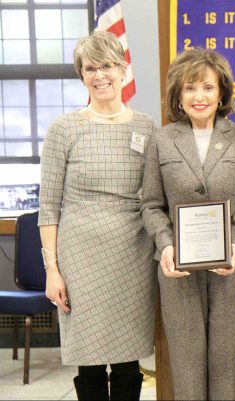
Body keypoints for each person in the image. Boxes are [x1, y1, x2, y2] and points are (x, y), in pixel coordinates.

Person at [38, 31, 156, 401]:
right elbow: (49, 207)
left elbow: (155, 197)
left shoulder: (147, 127)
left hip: (133, 255)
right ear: (82, 74)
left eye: (107, 66)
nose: (99, 75)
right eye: (90, 68)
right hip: (79, 257)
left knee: (126, 358)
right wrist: (52, 270)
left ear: (122, 70)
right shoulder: (64, 129)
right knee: (88, 357)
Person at [141, 48, 235, 400]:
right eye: (190, 88)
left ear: (221, 92)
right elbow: (150, 204)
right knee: (186, 365)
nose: (199, 96)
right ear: (178, 94)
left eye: (208, 87)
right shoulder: (162, 139)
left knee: (226, 365)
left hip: (232, 268)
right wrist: (166, 245)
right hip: (177, 269)